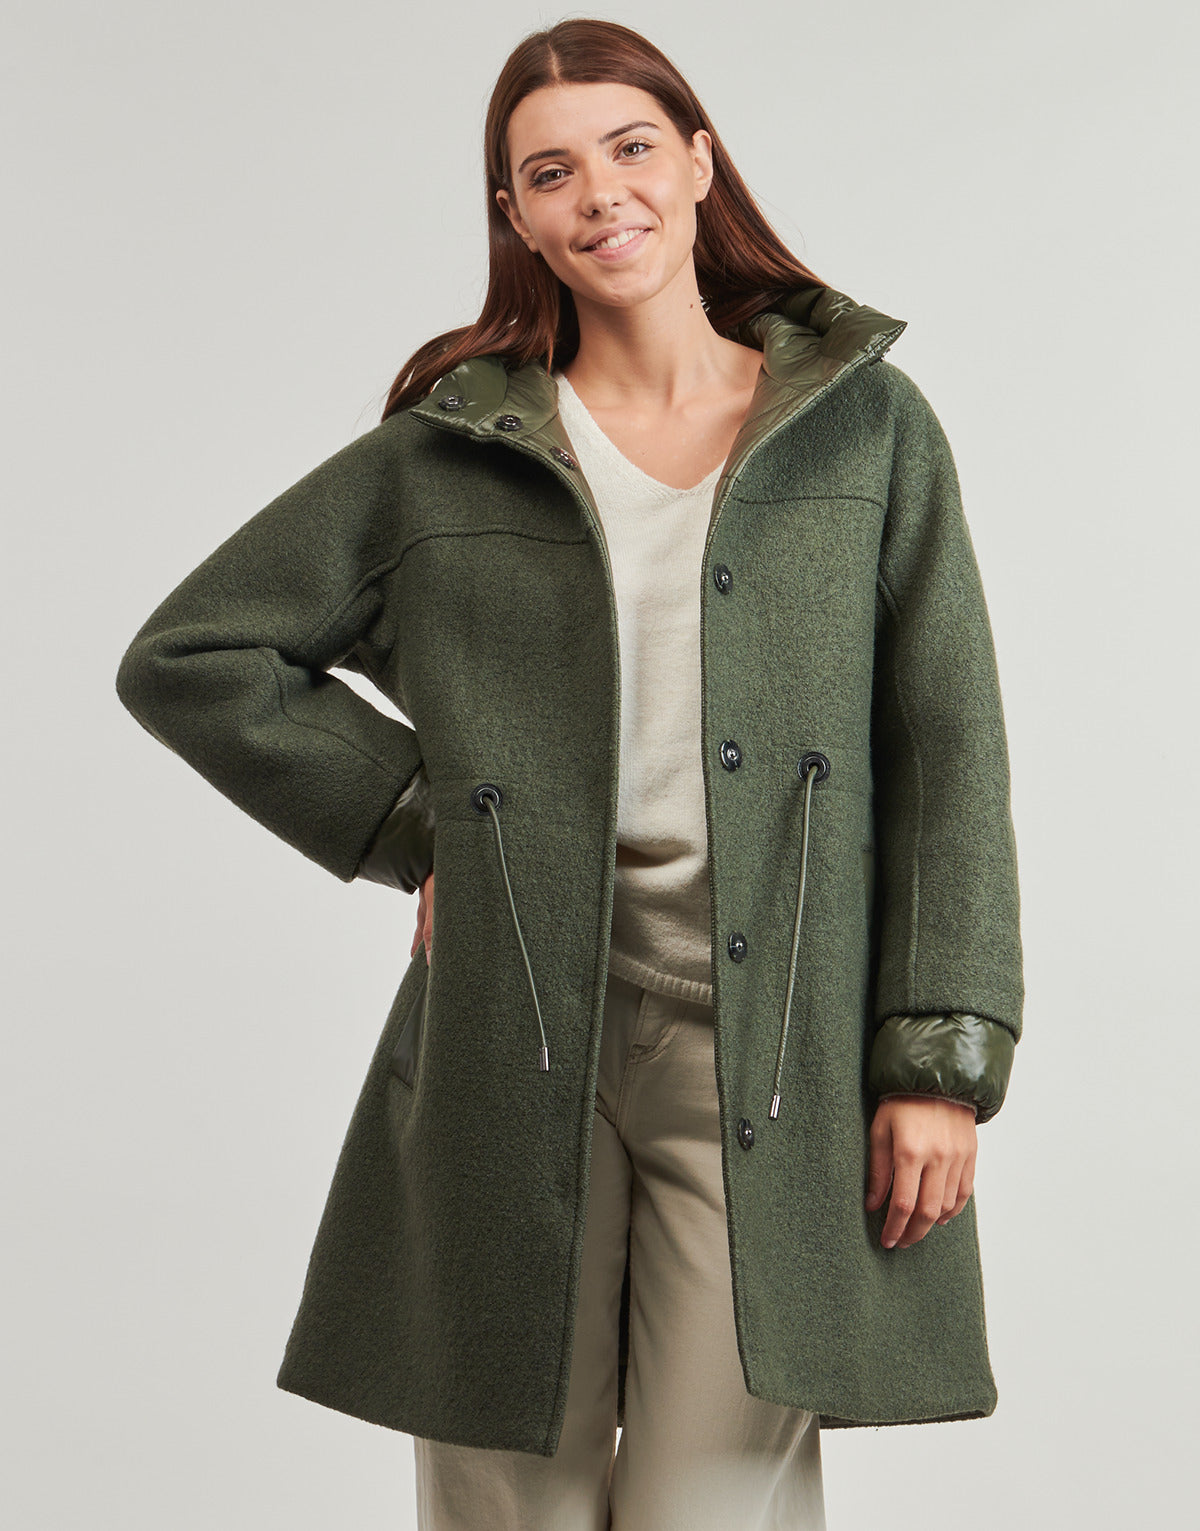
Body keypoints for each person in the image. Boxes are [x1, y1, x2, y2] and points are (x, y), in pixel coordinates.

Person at [115, 17, 1024, 1531]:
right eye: (550, 173)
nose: (600, 193)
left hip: (771, 1055)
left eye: (631, 147)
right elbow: (194, 655)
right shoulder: (446, 454)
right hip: (511, 1035)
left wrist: (938, 1055)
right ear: (516, 217)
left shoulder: (864, 429)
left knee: (710, 1510)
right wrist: (419, 823)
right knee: (503, 1508)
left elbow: (950, 744)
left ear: (699, 162)